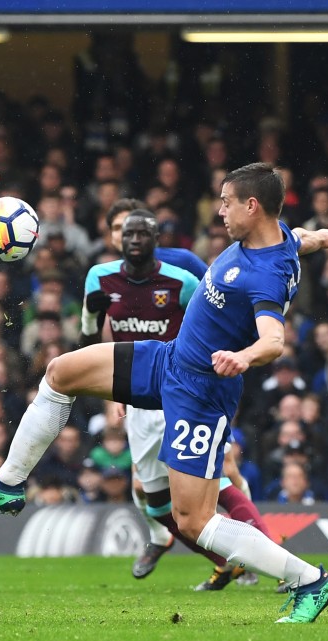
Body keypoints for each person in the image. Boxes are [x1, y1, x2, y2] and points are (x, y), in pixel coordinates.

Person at [0, 163, 328, 624]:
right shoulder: (274, 237)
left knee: (194, 521)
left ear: (251, 205)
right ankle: (9, 484)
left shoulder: (264, 274)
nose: (219, 211)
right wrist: (318, 237)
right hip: (169, 359)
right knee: (60, 372)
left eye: (226, 202)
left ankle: (310, 581)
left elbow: (273, 340)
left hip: (201, 393)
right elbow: (295, 236)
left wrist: (243, 357)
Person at [84, 208, 273, 591]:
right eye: (123, 231)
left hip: (183, 391)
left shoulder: (184, 274)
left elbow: (217, 318)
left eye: (139, 232)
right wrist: (111, 387)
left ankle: (267, 557)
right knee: (153, 497)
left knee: (219, 479)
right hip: (138, 397)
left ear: (157, 238)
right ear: (114, 237)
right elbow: (89, 335)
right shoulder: (99, 278)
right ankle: (225, 562)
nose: (132, 239)